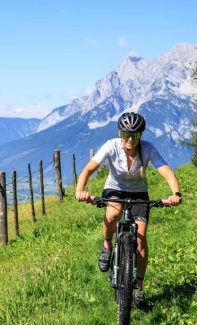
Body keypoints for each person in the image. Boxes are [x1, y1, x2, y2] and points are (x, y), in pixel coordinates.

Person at [75, 111, 182, 308]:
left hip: (139, 193)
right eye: (126, 134)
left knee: (140, 242)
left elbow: (166, 172)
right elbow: (89, 169)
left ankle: (139, 287)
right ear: (120, 133)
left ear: (141, 135)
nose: (130, 139)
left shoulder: (148, 149)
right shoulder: (111, 146)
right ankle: (107, 245)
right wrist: (80, 190)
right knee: (113, 213)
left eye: (135, 135)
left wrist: (176, 194)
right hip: (114, 189)